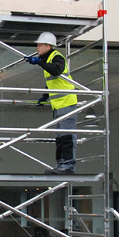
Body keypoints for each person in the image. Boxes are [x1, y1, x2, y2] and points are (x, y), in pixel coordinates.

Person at [25, 32, 76, 174]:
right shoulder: (48, 59)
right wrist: (45, 96)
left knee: (66, 137)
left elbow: (57, 71)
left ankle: (67, 165)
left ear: (48, 46)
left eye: (39, 45)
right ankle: (61, 165)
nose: (37, 48)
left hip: (66, 103)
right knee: (60, 137)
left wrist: (39, 62)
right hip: (58, 105)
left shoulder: (57, 57)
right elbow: (53, 83)